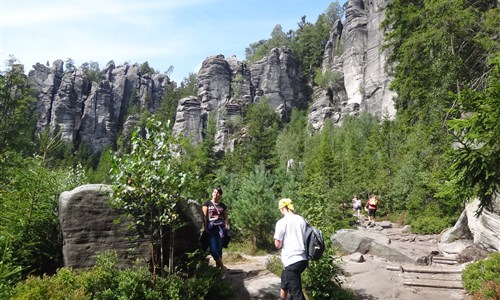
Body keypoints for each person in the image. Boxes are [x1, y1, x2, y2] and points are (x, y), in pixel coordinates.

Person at [274, 198, 308, 300]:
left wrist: (281, 243)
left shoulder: (281, 222)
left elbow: (277, 244)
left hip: (291, 261)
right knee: (285, 284)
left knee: (297, 294)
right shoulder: (301, 219)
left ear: (283, 208)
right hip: (302, 259)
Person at [202, 187, 229, 272]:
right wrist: (205, 227)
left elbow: (225, 217)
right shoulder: (207, 203)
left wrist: (226, 226)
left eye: (217, 193)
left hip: (221, 229)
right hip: (211, 229)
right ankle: (223, 266)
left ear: (220, 195)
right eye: (214, 192)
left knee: (219, 249)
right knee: (213, 250)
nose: (215, 194)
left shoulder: (222, 205)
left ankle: (218, 269)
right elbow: (204, 216)